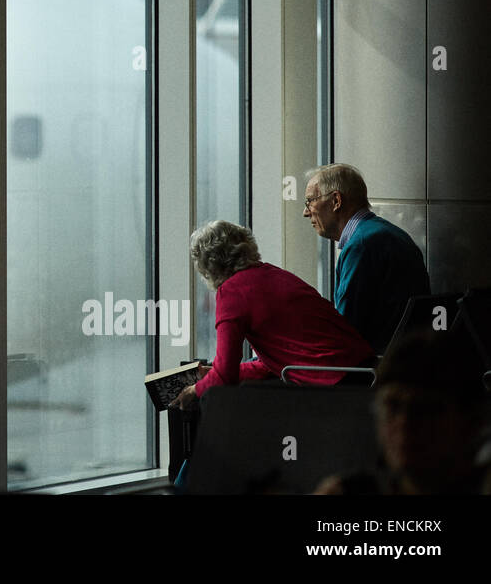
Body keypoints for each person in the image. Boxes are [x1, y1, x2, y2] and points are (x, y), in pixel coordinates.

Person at [173, 220, 376, 411]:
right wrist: (211, 373)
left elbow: (225, 376)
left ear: (208, 266)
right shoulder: (274, 274)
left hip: (332, 385)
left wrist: (193, 390)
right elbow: (266, 366)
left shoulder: (232, 292)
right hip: (366, 374)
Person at [315, 330, 491, 495]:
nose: (404, 423)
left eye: (425, 409)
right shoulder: (349, 490)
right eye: (392, 407)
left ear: (472, 420)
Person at [303, 163, 430, 353]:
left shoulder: (361, 245)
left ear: (336, 200)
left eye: (310, 201)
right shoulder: (389, 233)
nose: (306, 212)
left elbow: (346, 329)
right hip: (405, 361)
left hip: (375, 369)